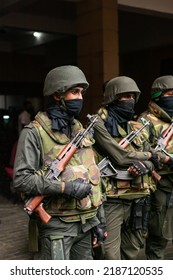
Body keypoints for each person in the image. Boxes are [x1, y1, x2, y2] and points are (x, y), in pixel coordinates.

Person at [13, 65, 106, 260]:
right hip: (57, 226)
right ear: (57, 95)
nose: (80, 98)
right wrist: (66, 188)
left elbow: (94, 177)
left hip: (86, 221)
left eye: (81, 93)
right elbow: (22, 180)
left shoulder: (80, 131)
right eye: (74, 92)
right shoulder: (34, 133)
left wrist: (99, 220)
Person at [93, 76, 166, 260]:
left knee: (132, 252)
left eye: (133, 96)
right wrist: (148, 156)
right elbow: (119, 156)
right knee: (109, 255)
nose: (130, 100)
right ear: (113, 98)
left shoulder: (136, 126)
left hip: (139, 197)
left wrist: (145, 164)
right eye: (125, 96)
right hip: (112, 200)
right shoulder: (99, 124)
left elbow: (154, 157)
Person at [138, 75, 173, 259]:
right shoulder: (146, 120)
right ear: (159, 95)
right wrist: (167, 160)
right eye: (171, 93)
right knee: (159, 237)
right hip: (161, 186)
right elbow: (143, 150)